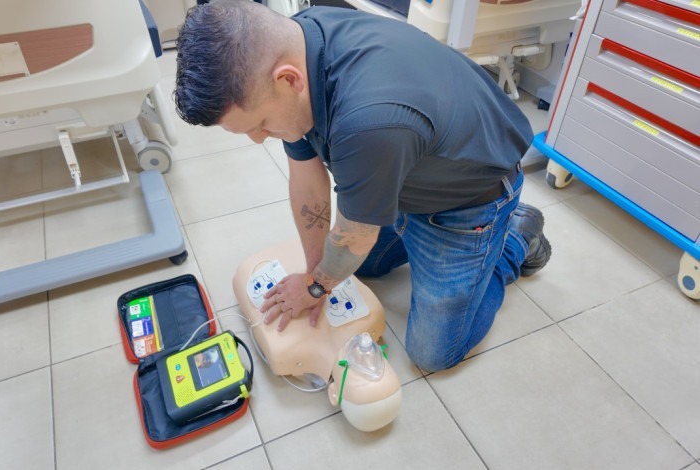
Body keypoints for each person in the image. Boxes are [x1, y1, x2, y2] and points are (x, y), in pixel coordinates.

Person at [173, 0, 551, 372]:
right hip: (404, 178)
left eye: (261, 125)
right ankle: (393, 220)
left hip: (467, 204)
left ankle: (516, 236)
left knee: (432, 353)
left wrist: (315, 288)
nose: (259, 139)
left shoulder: (368, 121)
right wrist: (315, 275)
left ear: (288, 80)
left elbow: (355, 237)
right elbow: (307, 181)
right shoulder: (296, 45)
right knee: (355, 265)